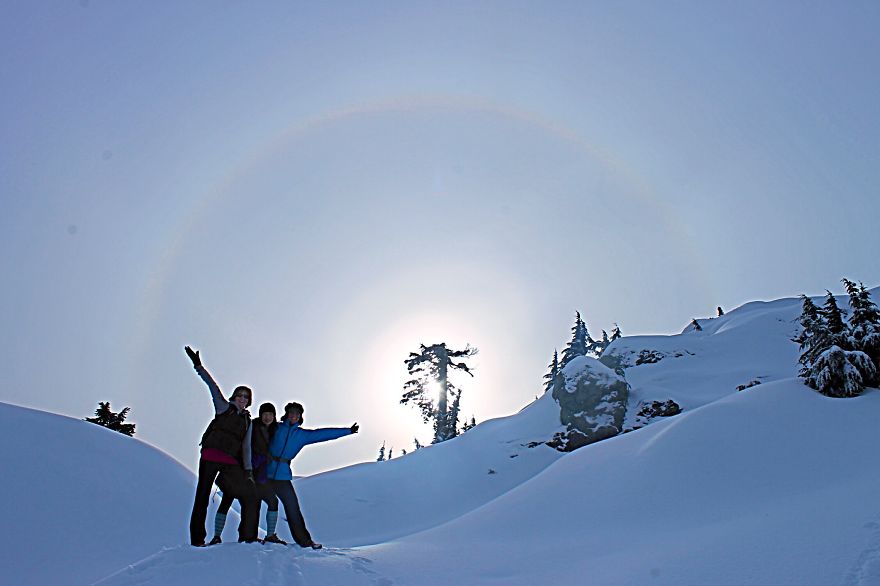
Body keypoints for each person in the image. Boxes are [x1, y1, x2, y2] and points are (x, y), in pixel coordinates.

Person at [185, 346, 259, 546]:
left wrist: (249, 471)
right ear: (234, 396)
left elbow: (246, 448)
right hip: (210, 456)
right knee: (202, 497)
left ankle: (248, 536)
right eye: (240, 395)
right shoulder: (223, 407)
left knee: (248, 494)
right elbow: (212, 386)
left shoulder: (247, 421)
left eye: (246, 397)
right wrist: (198, 366)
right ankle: (197, 540)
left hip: (230, 462)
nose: (242, 399)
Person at [266, 401, 358, 549]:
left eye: (297, 413)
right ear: (286, 414)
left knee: (292, 507)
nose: (293, 415)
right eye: (291, 412)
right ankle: (249, 536)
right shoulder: (275, 427)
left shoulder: (302, 435)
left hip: (282, 476)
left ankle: (305, 542)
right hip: (264, 471)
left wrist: (347, 431)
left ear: (300, 417)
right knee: (254, 502)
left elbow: (323, 434)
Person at [209, 403, 285, 545]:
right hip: (242, 470)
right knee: (230, 498)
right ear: (260, 415)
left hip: (260, 475)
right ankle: (220, 536)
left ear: (274, 416)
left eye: (270, 414)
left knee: (269, 501)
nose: (267, 417)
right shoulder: (252, 426)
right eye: (265, 414)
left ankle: (266, 535)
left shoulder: (276, 429)